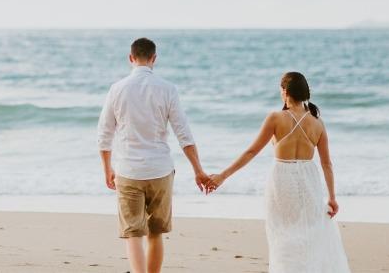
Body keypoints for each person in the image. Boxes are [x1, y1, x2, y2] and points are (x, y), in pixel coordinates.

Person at [206, 72, 350, 272]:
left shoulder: (276, 118)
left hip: (282, 180)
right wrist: (332, 197)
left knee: (282, 233)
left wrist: (223, 176)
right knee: (308, 233)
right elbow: (327, 164)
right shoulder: (317, 123)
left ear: (285, 91)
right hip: (309, 180)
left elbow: (251, 151)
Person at [97, 37, 213, 273]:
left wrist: (107, 169)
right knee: (156, 232)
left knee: (133, 234)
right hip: (160, 170)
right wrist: (198, 171)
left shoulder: (117, 89)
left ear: (131, 58)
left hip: (128, 171)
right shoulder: (168, 89)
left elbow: (104, 134)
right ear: (154, 59)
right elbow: (185, 136)